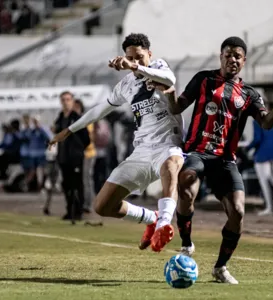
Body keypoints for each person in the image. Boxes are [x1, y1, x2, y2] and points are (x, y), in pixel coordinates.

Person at [165, 36, 273, 284]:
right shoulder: (204, 80)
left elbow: (266, 124)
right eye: (228, 54)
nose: (232, 59)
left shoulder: (248, 94)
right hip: (197, 152)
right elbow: (177, 107)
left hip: (225, 160)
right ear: (220, 55)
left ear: (244, 61)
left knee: (238, 211)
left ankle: (220, 268)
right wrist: (170, 94)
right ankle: (186, 243)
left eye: (238, 56)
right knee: (187, 183)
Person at [49, 33, 184, 252]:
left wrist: (135, 66)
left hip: (167, 144)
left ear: (149, 53)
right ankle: (151, 218)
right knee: (102, 206)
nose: (136, 61)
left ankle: (164, 224)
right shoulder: (126, 85)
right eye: (131, 57)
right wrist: (69, 130)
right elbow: (99, 110)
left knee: (171, 165)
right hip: (141, 151)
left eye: (140, 56)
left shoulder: (159, 67)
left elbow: (170, 80)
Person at [246, 110, 273, 216]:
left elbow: (257, 139)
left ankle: (270, 207)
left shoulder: (257, 121)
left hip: (263, 153)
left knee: (264, 180)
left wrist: (247, 148)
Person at [54, 91, 90, 221]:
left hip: (75, 157)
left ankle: (78, 211)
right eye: (63, 100)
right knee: (66, 185)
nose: (65, 102)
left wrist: (78, 150)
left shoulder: (77, 118)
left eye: (68, 99)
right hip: (63, 157)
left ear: (72, 101)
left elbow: (86, 139)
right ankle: (69, 210)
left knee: (77, 184)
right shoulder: (60, 118)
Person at [74, 99, 96, 213]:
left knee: (86, 179)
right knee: (79, 180)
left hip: (87, 154)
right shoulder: (73, 120)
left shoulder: (86, 120)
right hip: (78, 154)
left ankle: (88, 204)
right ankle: (80, 203)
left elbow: (89, 138)